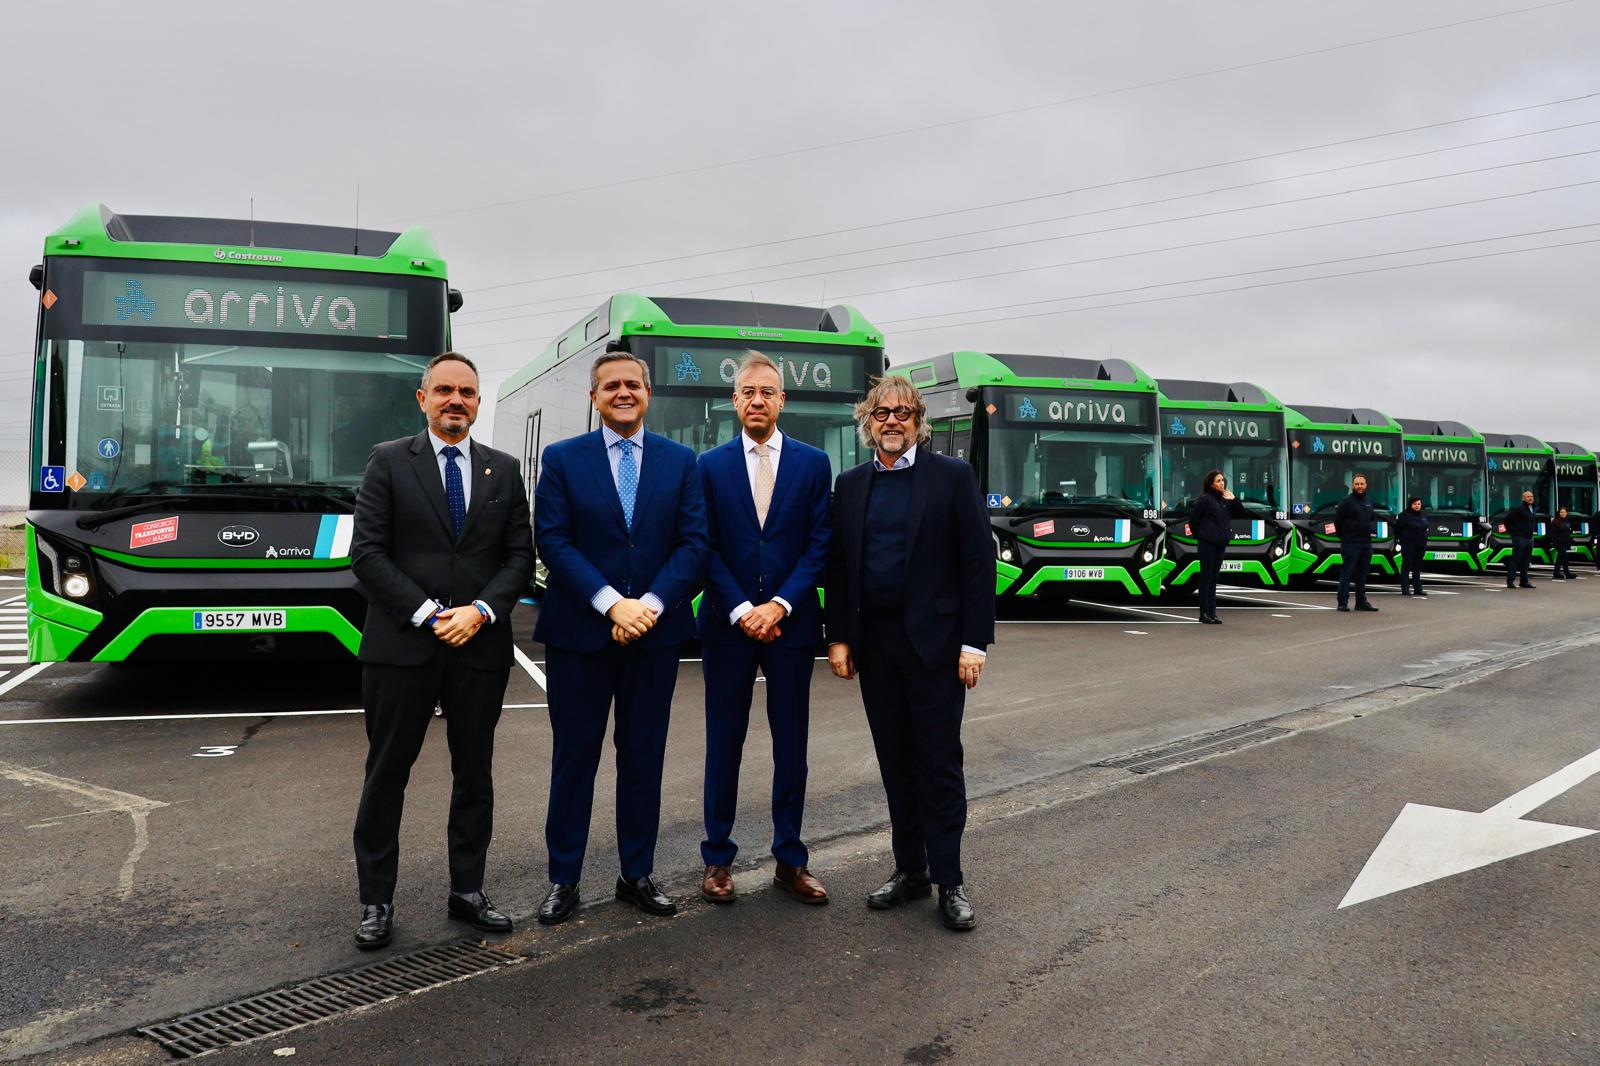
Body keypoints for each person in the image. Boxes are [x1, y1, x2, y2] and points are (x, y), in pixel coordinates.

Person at [349, 352, 534, 950]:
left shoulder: (504, 470)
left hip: (479, 647)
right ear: (423, 398)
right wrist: (430, 614)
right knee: (387, 775)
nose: (457, 400)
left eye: (468, 392)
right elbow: (366, 555)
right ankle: (377, 901)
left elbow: (519, 559)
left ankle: (468, 891)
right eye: (446, 390)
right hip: (402, 646)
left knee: (474, 774)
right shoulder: (387, 461)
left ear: (478, 402)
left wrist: (480, 611)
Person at [532, 349, 708, 925]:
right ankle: (564, 879)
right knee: (574, 759)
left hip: (653, 638)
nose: (623, 392)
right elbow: (553, 540)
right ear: (594, 397)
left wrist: (649, 606)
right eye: (611, 386)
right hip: (580, 638)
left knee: (643, 758)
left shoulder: (681, 462)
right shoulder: (562, 459)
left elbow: (694, 542)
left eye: (633, 384)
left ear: (648, 394)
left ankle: (637, 873)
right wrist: (611, 603)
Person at [824, 374, 995, 931]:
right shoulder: (851, 485)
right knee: (895, 762)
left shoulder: (952, 476)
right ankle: (911, 869)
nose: (892, 421)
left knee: (938, 763)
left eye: (902, 412)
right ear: (867, 423)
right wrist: (838, 637)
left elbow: (977, 563)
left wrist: (974, 642)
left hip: (937, 648)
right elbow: (840, 567)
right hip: (876, 647)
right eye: (882, 413)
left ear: (919, 421)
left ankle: (950, 880)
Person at [696, 351, 833, 906]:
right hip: (726, 627)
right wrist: (740, 609)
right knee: (723, 743)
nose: (757, 400)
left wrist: (778, 605)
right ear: (735, 401)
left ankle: (790, 860)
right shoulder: (708, 466)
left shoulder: (813, 463)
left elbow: (819, 544)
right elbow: (703, 545)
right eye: (748, 392)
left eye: (767, 392)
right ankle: (717, 860)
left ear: (782, 400)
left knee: (791, 745)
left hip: (790, 628)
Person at [1189, 469, 1244, 625]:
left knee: (1214, 578)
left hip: (1220, 543)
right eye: (1218, 481)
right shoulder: (1204, 500)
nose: (1222, 483)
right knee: (1206, 577)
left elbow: (1241, 513)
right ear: (1211, 484)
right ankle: (1204, 613)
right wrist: (1201, 535)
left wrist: (1234, 500)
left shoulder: (1224, 500)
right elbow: (1194, 521)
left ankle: (1212, 613)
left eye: (1222, 480)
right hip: (1207, 543)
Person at [1334, 474, 1379, 613]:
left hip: (1366, 543)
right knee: (1347, 573)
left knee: (1362, 574)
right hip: (1350, 543)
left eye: (1362, 484)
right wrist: (1344, 537)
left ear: (1366, 485)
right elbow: (1337, 522)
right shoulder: (1346, 502)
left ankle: (1361, 602)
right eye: (1357, 484)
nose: (1360, 486)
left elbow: (1370, 519)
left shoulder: (1368, 501)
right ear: (1353, 485)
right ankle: (1342, 602)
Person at [1395, 496, 1429, 597]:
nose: (1417, 506)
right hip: (1408, 545)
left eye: (1419, 504)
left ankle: (1418, 589)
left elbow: (1426, 527)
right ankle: (1405, 589)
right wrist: (1403, 539)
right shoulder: (1404, 515)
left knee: (1417, 567)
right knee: (1406, 567)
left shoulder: (1423, 515)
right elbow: (1397, 529)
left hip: (1421, 545)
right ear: (1410, 505)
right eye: (1415, 504)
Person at [1504, 489, 1538, 589]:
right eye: (1528, 497)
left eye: (1531, 496)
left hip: (1529, 538)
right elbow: (1507, 520)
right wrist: (1513, 533)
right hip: (1519, 538)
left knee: (1526, 561)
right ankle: (1510, 581)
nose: (1530, 498)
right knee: (1516, 559)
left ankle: (1524, 581)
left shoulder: (1533, 508)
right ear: (1523, 498)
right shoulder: (1519, 509)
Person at [1549, 506, 1575, 580]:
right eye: (1561, 512)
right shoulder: (1555, 522)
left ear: (1566, 513)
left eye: (1564, 512)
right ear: (1558, 513)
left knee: (1560, 558)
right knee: (1565, 557)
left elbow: (1568, 531)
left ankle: (1556, 573)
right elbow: (1553, 534)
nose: (1563, 513)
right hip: (1559, 543)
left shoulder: (1566, 521)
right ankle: (1567, 573)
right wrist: (1554, 543)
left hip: (1565, 542)